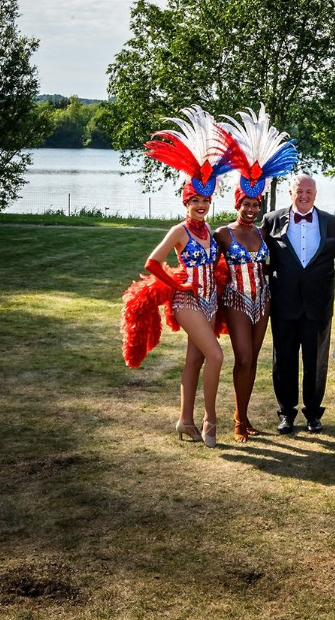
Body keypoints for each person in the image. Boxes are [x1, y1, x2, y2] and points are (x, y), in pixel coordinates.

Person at [120, 107, 233, 447]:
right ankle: (210, 419)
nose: (201, 205)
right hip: (186, 301)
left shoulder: (209, 231)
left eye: (205, 200)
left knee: (195, 360)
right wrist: (177, 284)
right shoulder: (179, 231)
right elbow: (153, 262)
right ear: (186, 202)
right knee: (216, 356)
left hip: (209, 302)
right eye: (195, 200)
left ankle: (184, 420)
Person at [214, 107, 298, 442]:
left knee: (253, 362)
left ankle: (243, 416)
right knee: (243, 357)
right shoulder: (223, 234)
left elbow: (271, 265)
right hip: (236, 299)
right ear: (237, 204)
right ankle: (238, 419)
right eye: (246, 204)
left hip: (263, 300)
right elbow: (205, 261)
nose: (251, 210)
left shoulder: (263, 233)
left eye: (255, 205)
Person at [261, 174, 335, 433]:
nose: (304, 195)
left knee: (316, 363)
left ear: (316, 194)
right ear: (290, 193)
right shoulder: (271, 220)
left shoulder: (332, 223)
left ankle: (313, 413)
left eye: (309, 191)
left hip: (318, 305)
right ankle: (286, 414)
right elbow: (256, 254)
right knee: (283, 361)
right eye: (299, 191)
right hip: (284, 303)